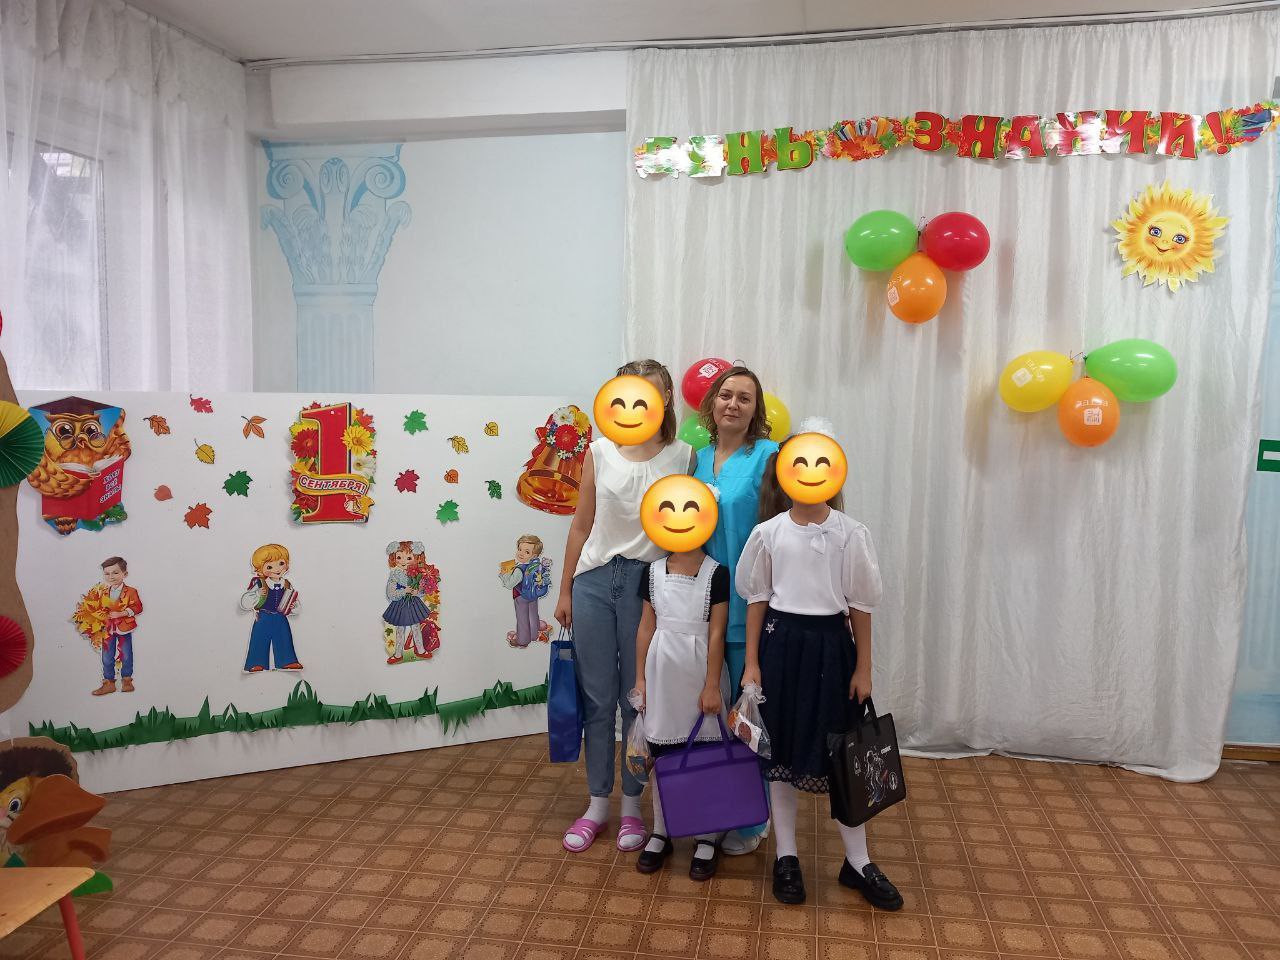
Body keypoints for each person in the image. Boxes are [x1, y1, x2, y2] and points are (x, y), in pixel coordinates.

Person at [737, 426, 903, 910]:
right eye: (800, 464)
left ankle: (858, 861)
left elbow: (860, 606)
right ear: (783, 474)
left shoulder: (851, 533)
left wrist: (864, 668)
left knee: (843, 755)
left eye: (820, 463)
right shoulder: (768, 533)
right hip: (780, 647)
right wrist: (751, 663)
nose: (810, 473)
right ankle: (786, 856)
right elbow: (757, 599)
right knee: (781, 753)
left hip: (832, 649)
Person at [554, 359, 693, 853]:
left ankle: (633, 806)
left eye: (648, 394)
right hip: (594, 581)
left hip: (648, 587)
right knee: (596, 698)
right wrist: (565, 589)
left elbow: (690, 532)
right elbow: (580, 524)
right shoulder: (599, 451)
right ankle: (597, 803)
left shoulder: (683, 456)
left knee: (638, 698)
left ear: (666, 399)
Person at [691, 365, 778, 854]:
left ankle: (752, 819)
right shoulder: (696, 460)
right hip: (701, 608)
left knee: (748, 720)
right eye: (726, 395)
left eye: (745, 398)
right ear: (712, 403)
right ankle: (717, 809)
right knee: (709, 716)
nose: (733, 404)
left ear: (755, 410)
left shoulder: (769, 456)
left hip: (750, 608)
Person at [632, 544, 731, 879]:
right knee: (662, 755)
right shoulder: (652, 572)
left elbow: (716, 632)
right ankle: (662, 830)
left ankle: (706, 836)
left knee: (704, 754)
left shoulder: (716, 573)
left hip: (699, 672)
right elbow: (646, 627)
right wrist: (640, 679)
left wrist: (712, 684)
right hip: (661, 673)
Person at [240, 544, 302, 672]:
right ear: (260, 569)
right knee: (259, 638)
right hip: (264, 616)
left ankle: (287, 661)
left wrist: (293, 606)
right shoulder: (260, 583)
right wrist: (257, 594)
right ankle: (256, 662)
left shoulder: (286, 584)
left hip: (281, 617)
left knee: (284, 637)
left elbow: (294, 602)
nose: (277, 569)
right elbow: (245, 602)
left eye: (281, 563)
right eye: (269, 567)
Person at [90, 556, 142, 696]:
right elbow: (99, 609)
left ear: (125, 574)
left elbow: (138, 607)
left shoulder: (131, 591)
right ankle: (109, 683)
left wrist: (122, 613)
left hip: (124, 628)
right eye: (107, 574)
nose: (111, 577)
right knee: (107, 657)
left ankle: (127, 680)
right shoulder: (103, 592)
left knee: (126, 654)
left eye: (115, 572)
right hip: (108, 629)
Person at [499, 535, 552, 648]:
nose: (521, 553)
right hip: (533, 595)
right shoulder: (536, 565)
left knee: (522, 618)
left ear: (534, 555)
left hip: (521, 596)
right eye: (520, 549)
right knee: (533, 614)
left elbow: (509, 584)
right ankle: (533, 634)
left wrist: (504, 574)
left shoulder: (519, 569)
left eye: (526, 552)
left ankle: (522, 640)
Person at [384, 540, 432, 662]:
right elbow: (390, 593)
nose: (403, 561)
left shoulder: (416, 573)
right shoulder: (394, 574)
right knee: (400, 629)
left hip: (413, 605)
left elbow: (422, 589)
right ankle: (398, 654)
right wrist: (404, 591)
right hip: (400, 605)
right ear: (394, 558)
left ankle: (421, 650)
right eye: (399, 557)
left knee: (416, 627)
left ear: (416, 558)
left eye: (409, 558)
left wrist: (417, 591)